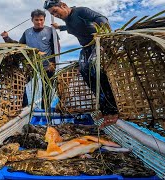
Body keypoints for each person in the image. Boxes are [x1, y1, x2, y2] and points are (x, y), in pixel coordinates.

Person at [43, 0, 118, 128]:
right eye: (52, 14)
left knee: (94, 70)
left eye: (55, 11)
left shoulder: (80, 11)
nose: (55, 15)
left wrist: (105, 37)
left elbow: (100, 18)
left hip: (96, 44)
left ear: (64, 5)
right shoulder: (68, 21)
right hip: (85, 49)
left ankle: (114, 111)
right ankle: (105, 109)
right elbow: (72, 27)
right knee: (85, 73)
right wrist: (59, 28)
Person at [0, 9, 59, 109]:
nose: (39, 22)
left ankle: (45, 110)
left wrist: (54, 63)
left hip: (48, 66)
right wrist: (6, 38)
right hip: (31, 65)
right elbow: (19, 46)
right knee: (20, 83)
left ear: (44, 20)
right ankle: (24, 105)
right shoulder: (27, 32)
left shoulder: (50, 31)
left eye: (41, 20)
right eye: (36, 20)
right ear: (32, 20)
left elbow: (57, 47)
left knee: (47, 88)